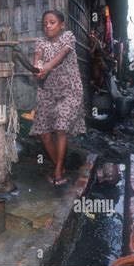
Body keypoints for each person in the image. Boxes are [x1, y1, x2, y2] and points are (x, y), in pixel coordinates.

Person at [30, 10, 86, 186]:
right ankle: (60, 167)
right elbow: (37, 58)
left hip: (69, 90)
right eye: (45, 23)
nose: (48, 26)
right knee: (44, 133)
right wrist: (37, 67)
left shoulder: (68, 37)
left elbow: (60, 57)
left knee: (61, 127)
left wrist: (45, 67)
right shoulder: (40, 42)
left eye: (52, 22)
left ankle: (57, 172)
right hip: (48, 92)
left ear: (61, 24)